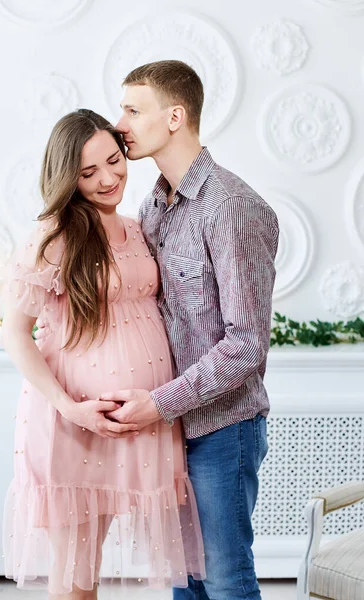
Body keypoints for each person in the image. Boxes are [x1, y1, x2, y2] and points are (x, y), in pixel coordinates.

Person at [1, 109, 205, 600]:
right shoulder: (54, 237)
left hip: (134, 420)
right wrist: (70, 408)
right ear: (66, 177)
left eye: (114, 161)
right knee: (76, 579)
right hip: (75, 423)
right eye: (89, 172)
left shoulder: (137, 229)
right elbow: (15, 334)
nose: (108, 178)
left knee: (90, 570)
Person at [101, 60, 279, 600]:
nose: (121, 122)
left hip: (223, 428)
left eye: (133, 109)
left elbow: (246, 346)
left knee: (226, 580)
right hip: (170, 424)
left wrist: (160, 402)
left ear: (175, 116)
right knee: (185, 579)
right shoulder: (154, 203)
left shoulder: (232, 207)